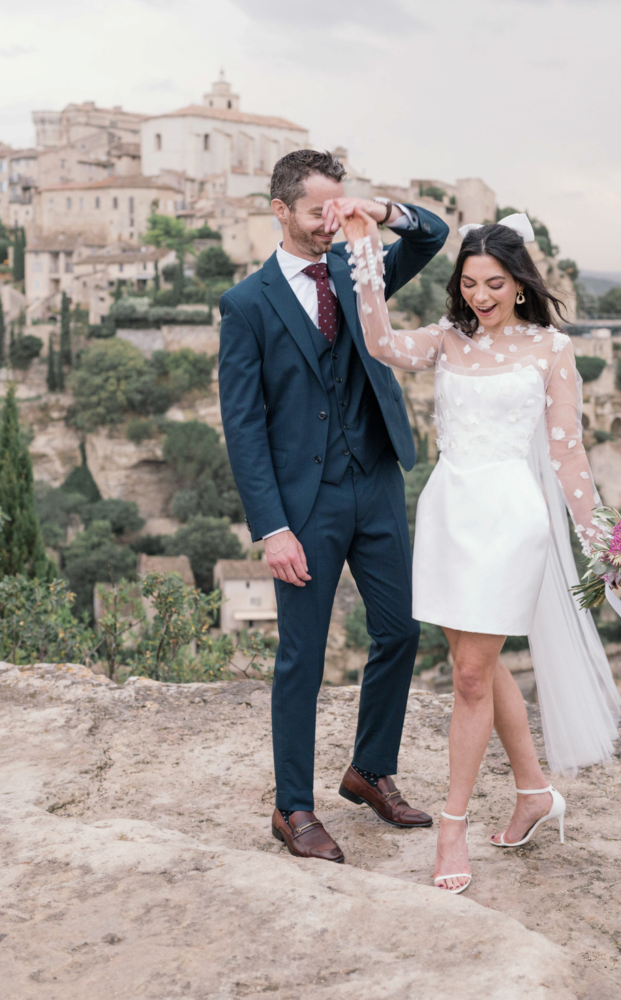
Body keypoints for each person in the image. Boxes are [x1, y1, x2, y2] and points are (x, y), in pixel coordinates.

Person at [334, 204, 621, 894]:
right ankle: (533, 792)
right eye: (469, 284)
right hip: (449, 511)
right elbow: (379, 343)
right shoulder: (446, 339)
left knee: (468, 674)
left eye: (494, 283)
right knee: (477, 665)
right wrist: (364, 250)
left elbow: (567, 451)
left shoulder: (551, 349)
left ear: (519, 283)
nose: (480, 297)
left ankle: (451, 827)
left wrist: (606, 543)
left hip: (510, 518)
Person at [219, 149, 449, 864]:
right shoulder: (247, 304)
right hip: (302, 506)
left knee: (400, 631)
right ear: (280, 211)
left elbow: (433, 236)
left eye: (337, 205)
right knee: (302, 659)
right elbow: (244, 423)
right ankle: (293, 810)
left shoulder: (360, 269)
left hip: (376, 481)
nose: (330, 221)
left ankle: (369, 769)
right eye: (318, 209)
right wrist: (272, 528)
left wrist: (375, 213)